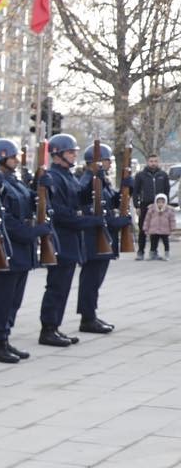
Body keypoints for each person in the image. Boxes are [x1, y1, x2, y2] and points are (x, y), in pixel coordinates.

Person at [0, 138, 45, 362]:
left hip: (22, 251)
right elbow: (5, 219)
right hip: (8, 249)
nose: (16, 160)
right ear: (1, 157)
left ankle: (5, 338)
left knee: (14, 300)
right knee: (3, 299)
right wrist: (32, 232)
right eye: (11, 157)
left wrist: (39, 186)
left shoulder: (14, 181)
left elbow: (29, 204)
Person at [37, 133, 92, 347]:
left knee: (64, 287)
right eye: (70, 152)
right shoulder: (53, 177)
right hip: (61, 239)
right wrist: (86, 221)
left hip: (71, 240)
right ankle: (48, 328)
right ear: (57, 154)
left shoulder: (68, 175)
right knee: (56, 287)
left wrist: (96, 178)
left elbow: (79, 198)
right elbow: (59, 212)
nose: (74, 155)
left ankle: (55, 327)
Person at [75, 143, 129, 334]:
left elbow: (110, 201)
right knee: (90, 280)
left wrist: (124, 188)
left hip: (102, 238)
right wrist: (115, 222)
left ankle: (91, 315)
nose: (109, 164)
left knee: (96, 280)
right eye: (107, 160)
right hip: (93, 239)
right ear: (96, 162)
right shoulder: (88, 181)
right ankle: (87, 318)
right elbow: (91, 209)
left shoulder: (101, 180)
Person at [135, 155, 170, 258]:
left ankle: (153, 251)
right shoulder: (140, 175)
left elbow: (166, 190)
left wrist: (165, 204)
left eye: (155, 161)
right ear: (147, 162)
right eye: (151, 161)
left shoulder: (163, 175)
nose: (153, 163)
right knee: (142, 228)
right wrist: (137, 206)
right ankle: (140, 251)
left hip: (159, 205)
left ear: (158, 162)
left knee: (156, 229)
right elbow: (135, 192)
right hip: (145, 205)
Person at [145, 193, 173, 259]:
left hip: (165, 230)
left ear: (165, 202)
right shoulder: (152, 210)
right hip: (154, 230)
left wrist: (172, 228)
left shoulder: (168, 210)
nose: (160, 204)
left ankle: (167, 253)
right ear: (156, 202)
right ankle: (152, 254)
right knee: (153, 243)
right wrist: (146, 228)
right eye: (159, 202)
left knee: (166, 242)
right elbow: (147, 219)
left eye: (162, 202)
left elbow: (172, 220)